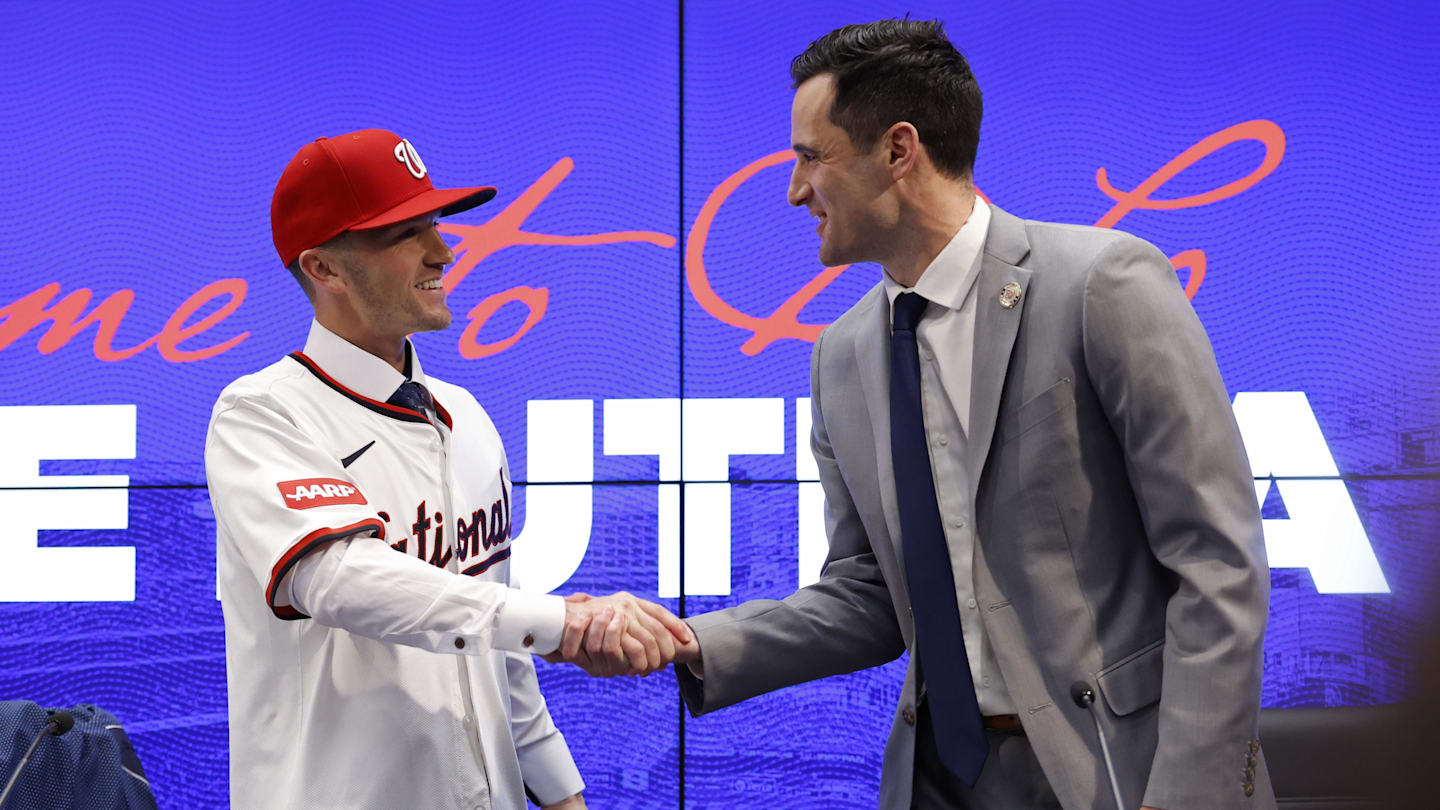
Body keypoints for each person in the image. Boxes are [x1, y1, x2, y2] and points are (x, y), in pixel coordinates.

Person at [667, 20, 1275, 810]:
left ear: (898, 150)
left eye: (810, 157)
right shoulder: (840, 356)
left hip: (1118, 776)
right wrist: (694, 643)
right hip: (939, 783)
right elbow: (869, 594)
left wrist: (1187, 797)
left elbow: (1219, 562)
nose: (793, 189)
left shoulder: (1102, 283)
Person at [205, 129, 691, 810]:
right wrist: (564, 623)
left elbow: (497, 646)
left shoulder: (465, 415)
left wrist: (559, 793)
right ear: (325, 269)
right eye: (407, 232)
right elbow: (338, 577)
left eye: (435, 222)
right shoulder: (262, 413)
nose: (444, 249)